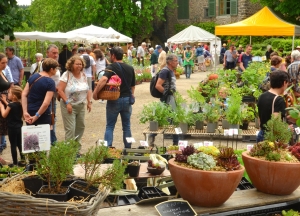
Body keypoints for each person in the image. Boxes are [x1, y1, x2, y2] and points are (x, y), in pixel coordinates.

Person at [93, 47, 135, 148]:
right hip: (127, 100)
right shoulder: (130, 68)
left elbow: (103, 80)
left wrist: (95, 93)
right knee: (127, 127)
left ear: (113, 56)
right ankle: (128, 148)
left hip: (114, 100)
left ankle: (108, 148)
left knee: (110, 126)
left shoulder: (112, 67)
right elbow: (132, 86)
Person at [57, 56, 92, 144]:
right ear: (71, 65)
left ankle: (76, 150)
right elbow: (60, 90)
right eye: (77, 64)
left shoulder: (84, 75)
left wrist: (89, 102)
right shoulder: (67, 74)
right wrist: (67, 103)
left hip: (81, 105)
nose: (79, 66)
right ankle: (69, 153)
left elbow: (88, 89)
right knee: (70, 129)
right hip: (69, 105)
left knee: (81, 127)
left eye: (80, 64)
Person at [21, 58, 58, 143]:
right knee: (41, 142)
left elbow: (24, 94)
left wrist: (25, 112)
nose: (56, 71)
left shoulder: (34, 76)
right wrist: (36, 116)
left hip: (30, 111)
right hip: (43, 113)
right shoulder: (50, 82)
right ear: (51, 69)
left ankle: (31, 156)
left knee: (31, 142)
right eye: (56, 68)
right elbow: (46, 103)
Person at [148, 54, 179, 146]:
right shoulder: (165, 71)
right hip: (167, 98)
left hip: (170, 98)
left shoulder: (171, 71)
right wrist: (167, 93)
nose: (177, 62)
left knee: (171, 119)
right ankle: (152, 135)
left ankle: (175, 142)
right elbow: (158, 85)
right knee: (172, 119)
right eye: (175, 61)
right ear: (169, 62)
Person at [257, 70, 291, 142]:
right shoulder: (279, 100)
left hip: (261, 134)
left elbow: (261, 117)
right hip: (271, 139)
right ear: (284, 83)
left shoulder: (262, 96)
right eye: (287, 83)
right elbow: (275, 125)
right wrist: (288, 129)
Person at [0, 86, 24, 166]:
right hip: (19, 127)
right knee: (20, 144)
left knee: (13, 145)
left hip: (12, 128)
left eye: (9, 93)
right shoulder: (19, 104)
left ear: (13, 96)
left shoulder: (10, 106)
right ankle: (23, 160)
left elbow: (4, 115)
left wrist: (1, 106)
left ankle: (15, 162)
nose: (8, 94)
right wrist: (5, 101)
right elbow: (12, 107)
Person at [0, 53, 11, 153]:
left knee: (2, 130)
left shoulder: (2, 72)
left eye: (6, 62)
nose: (5, 65)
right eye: (2, 63)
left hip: (4, 102)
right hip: (0, 103)